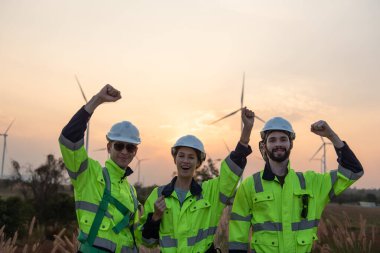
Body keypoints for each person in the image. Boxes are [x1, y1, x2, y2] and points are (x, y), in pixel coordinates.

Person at [228, 117, 364, 253]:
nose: (278, 144)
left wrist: (332, 136)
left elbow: (354, 171)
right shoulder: (250, 185)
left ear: (291, 144)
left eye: (283, 139)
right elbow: (237, 237)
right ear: (264, 145)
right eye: (272, 140)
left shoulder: (312, 183)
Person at [139, 108, 255, 252]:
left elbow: (231, 172)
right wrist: (155, 217)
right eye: (181, 156)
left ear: (198, 163)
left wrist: (246, 132)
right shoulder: (158, 195)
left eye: (191, 157)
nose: (185, 161)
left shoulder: (210, 192)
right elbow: (147, 241)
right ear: (175, 159)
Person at [59, 84, 140, 253]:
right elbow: (69, 137)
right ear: (109, 147)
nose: (124, 151)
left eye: (130, 148)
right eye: (119, 146)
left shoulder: (131, 192)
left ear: (135, 152)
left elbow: (136, 235)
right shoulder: (87, 173)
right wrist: (97, 100)